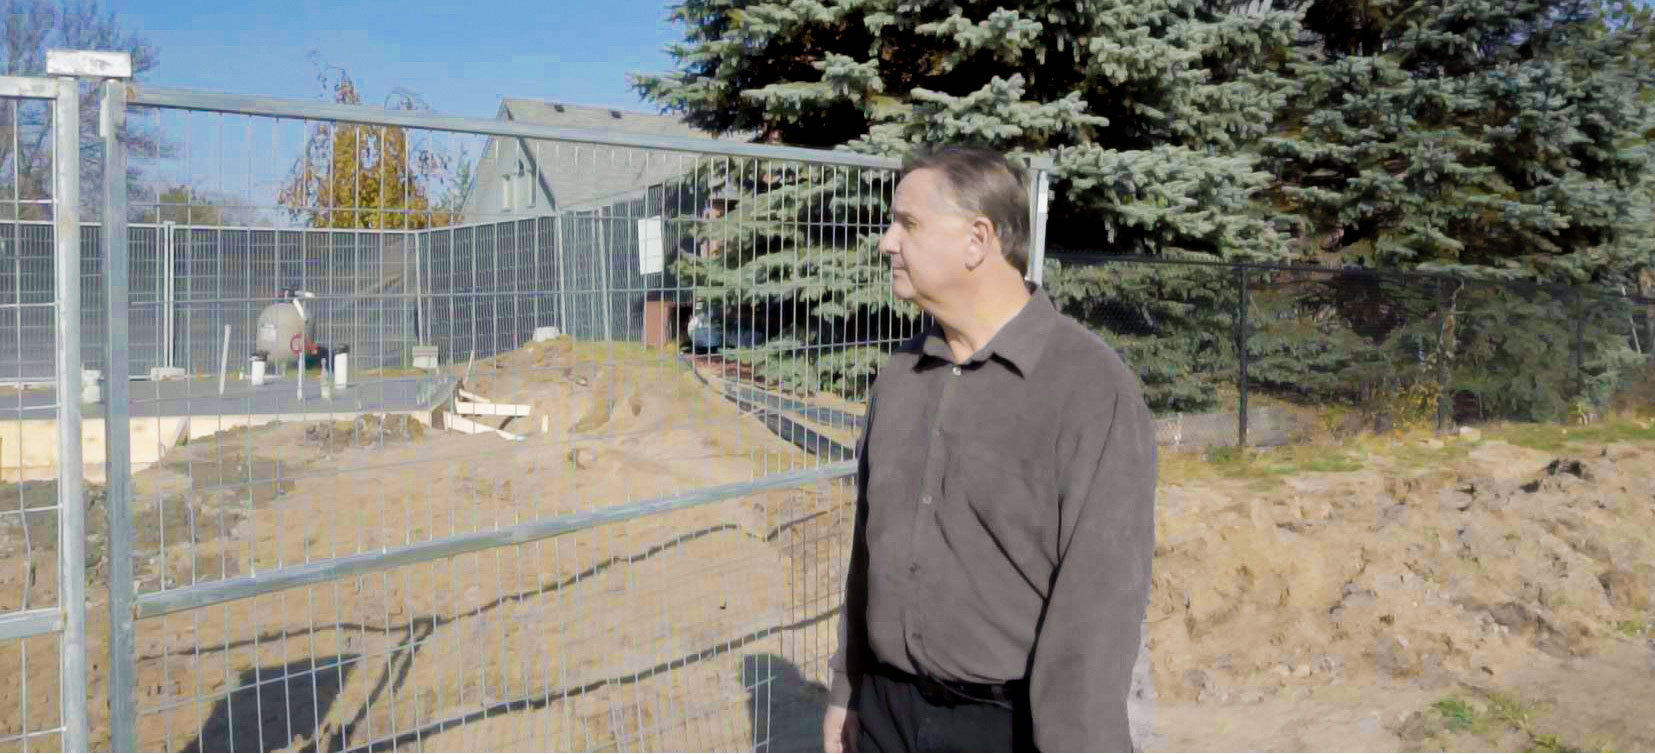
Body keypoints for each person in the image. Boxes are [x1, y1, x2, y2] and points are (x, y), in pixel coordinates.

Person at [822, 146, 1157, 753]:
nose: (886, 243)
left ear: (978, 239)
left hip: (1004, 728)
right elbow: (867, 557)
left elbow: (1098, 609)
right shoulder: (900, 375)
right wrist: (847, 690)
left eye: (908, 223)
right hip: (885, 717)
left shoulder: (1087, 387)